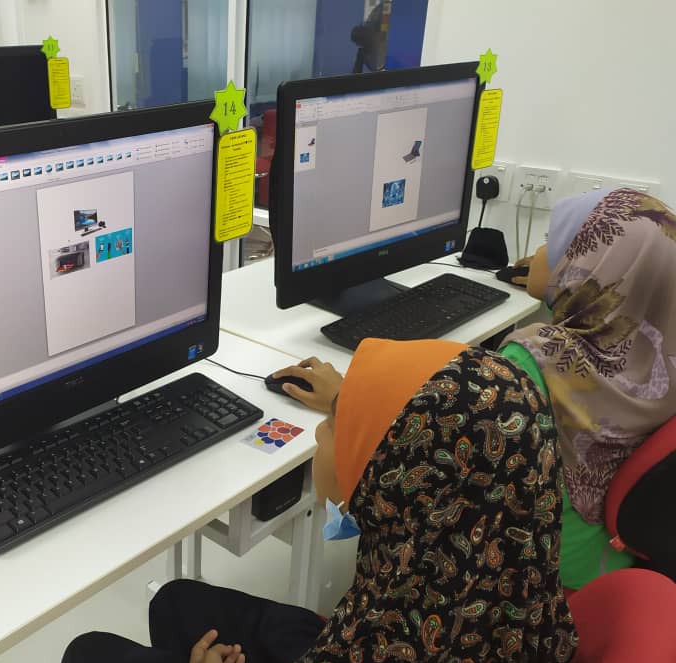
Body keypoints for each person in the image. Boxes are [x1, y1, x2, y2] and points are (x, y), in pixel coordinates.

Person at [55, 340, 575, 663]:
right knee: (175, 602)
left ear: (396, 482)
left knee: (86, 657)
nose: (323, 435)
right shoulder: (510, 587)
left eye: (335, 425)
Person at [279, 188, 676, 591]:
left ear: (584, 269)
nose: (538, 253)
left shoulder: (536, 366)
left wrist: (346, 398)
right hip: (608, 564)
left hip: (534, 576)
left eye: (550, 243)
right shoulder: (661, 359)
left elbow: (416, 445)